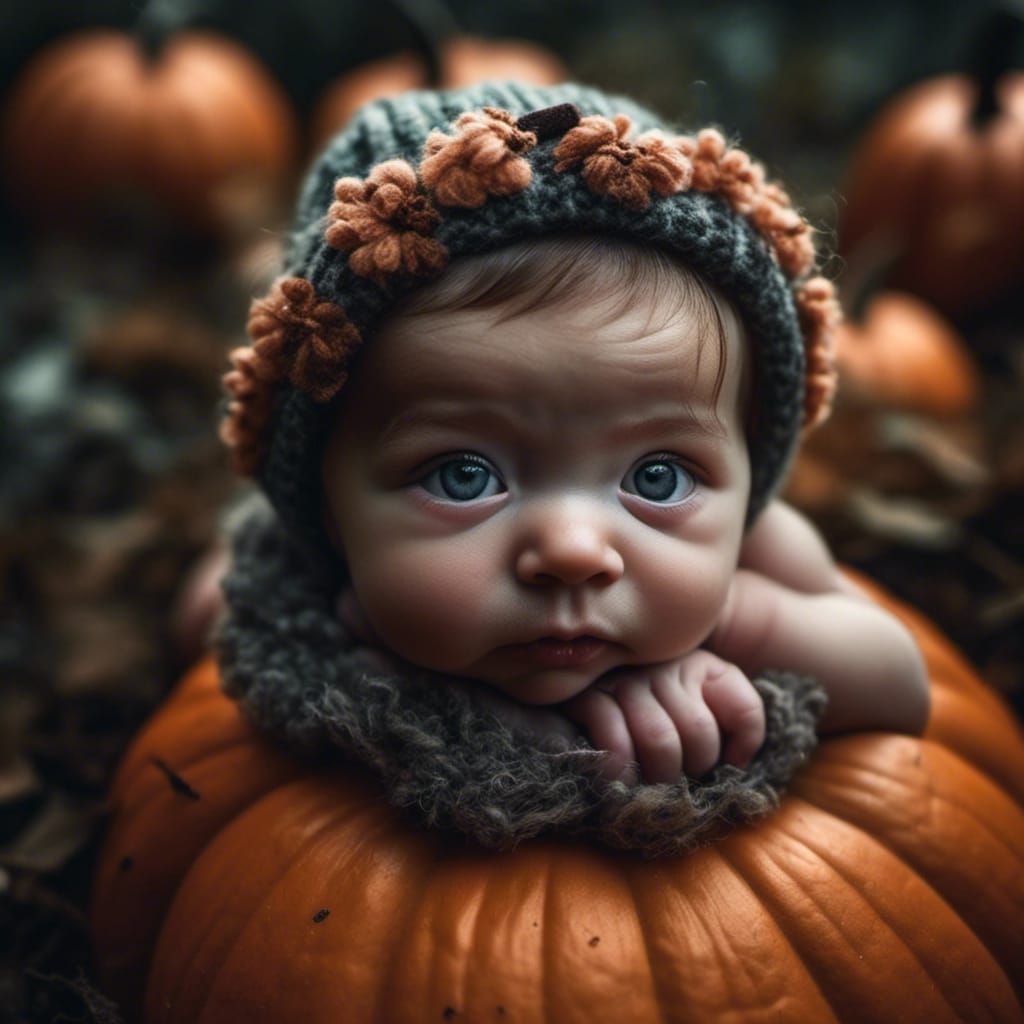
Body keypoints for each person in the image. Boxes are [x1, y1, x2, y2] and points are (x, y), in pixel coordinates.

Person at [219, 82, 927, 800]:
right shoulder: (296, 577)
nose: (573, 551)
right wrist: (404, 688)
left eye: (658, 477)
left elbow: (903, 684)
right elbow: (217, 626)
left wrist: (735, 622)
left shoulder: (761, 553)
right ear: (325, 504)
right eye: (463, 475)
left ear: (749, 468)